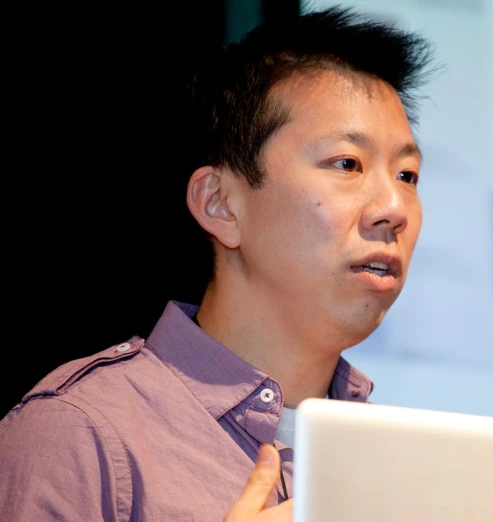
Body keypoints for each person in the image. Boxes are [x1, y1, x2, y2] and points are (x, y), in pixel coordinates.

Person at [0, 6, 437, 521]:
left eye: (407, 176)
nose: (392, 208)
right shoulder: (82, 431)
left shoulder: (404, 463)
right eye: (347, 164)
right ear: (220, 203)